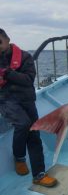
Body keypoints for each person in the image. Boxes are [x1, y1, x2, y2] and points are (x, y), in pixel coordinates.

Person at [0, 28, 57, 187]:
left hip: (26, 100)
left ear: (8, 39)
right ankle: (19, 158)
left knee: (34, 133)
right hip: (6, 101)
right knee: (24, 124)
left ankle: (39, 174)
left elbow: (28, 79)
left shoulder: (25, 57)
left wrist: (7, 73)